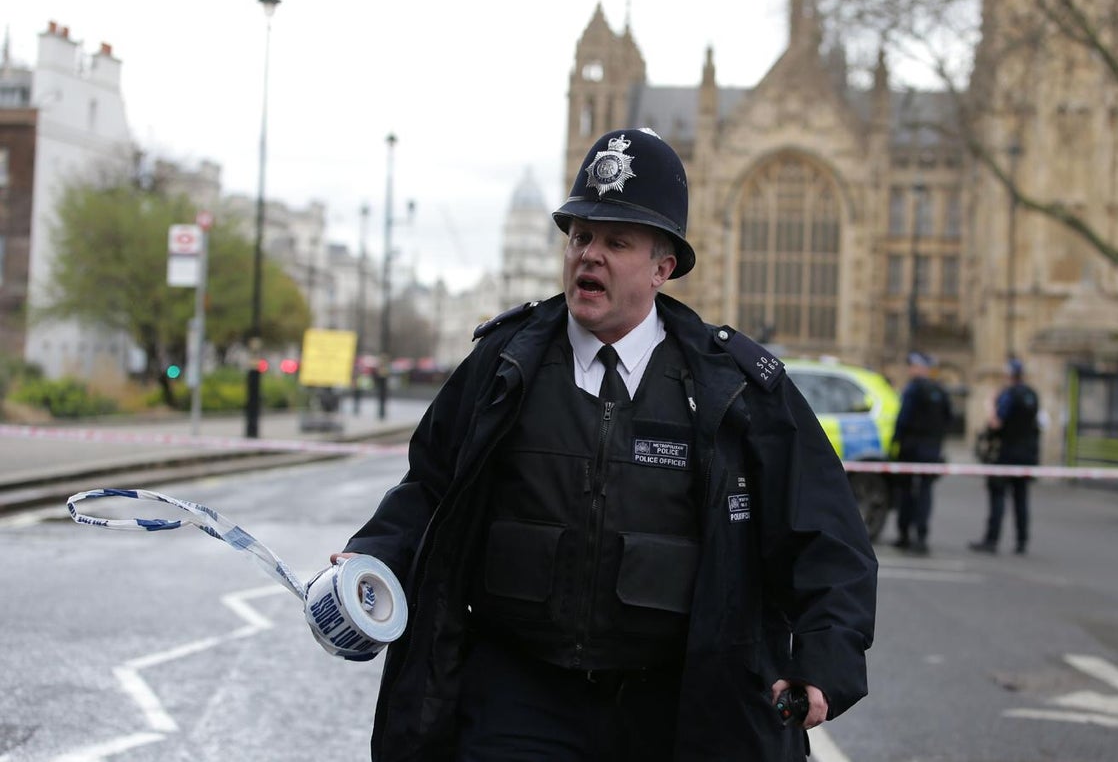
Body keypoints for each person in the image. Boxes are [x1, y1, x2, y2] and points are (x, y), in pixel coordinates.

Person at [331, 128, 878, 761]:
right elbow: (430, 486)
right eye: (581, 236)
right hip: (518, 691)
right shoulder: (505, 363)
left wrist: (827, 649)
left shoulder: (733, 386)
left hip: (674, 703)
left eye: (617, 241)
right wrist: (370, 555)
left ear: (662, 267)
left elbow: (822, 527)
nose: (590, 255)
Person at [970, 357, 1040, 555]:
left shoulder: (1008, 395)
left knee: (998, 497)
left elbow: (996, 423)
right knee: (1021, 499)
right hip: (1026, 453)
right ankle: (1022, 541)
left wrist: (991, 405)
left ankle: (992, 540)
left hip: (1006, 452)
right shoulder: (1032, 395)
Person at [891, 350, 952, 554]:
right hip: (931, 448)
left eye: (913, 366)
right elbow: (948, 418)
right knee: (925, 492)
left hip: (911, 446)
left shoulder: (913, 389)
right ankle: (921, 536)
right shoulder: (940, 390)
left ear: (921, 368)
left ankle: (904, 534)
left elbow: (903, 417)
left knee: (907, 491)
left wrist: (896, 441)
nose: (910, 370)